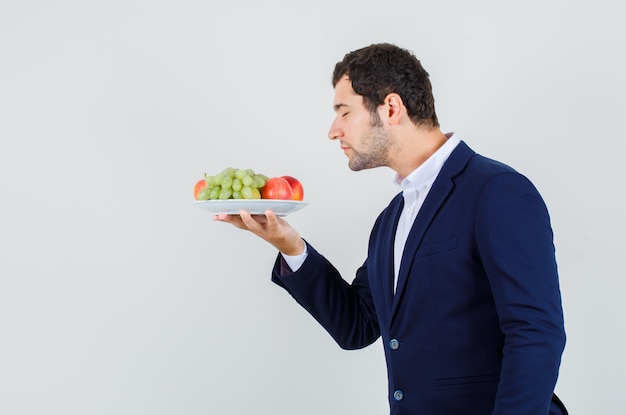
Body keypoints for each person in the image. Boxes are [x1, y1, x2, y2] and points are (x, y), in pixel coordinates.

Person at [215, 43, 567, 415]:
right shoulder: (392, 218)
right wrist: (290, 246)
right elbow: (358, 326)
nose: (333, 131)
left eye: (344, 112)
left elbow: (535, 333)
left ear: (391, 108)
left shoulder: (497, 191)